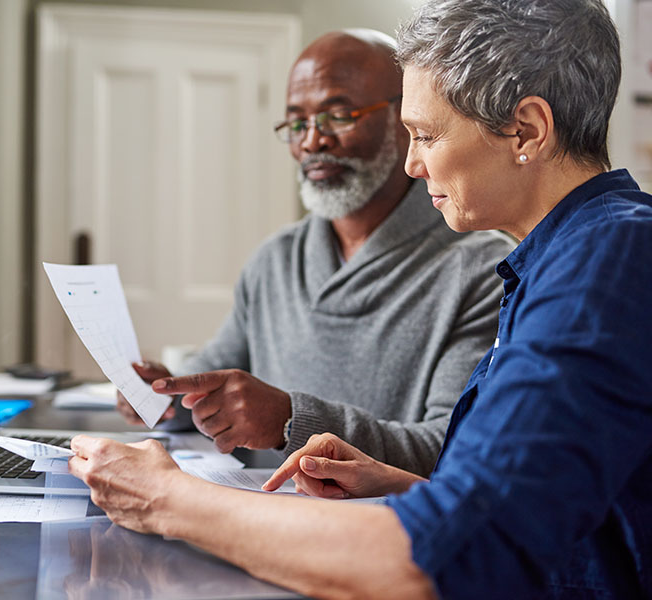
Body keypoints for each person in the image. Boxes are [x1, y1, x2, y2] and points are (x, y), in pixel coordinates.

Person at [69, 0, 652, 597]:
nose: (413, 163)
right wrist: (398, 485)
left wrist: (169, 498)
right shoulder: (560, 257)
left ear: (526, 130)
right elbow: (535, 511)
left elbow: (442, 559)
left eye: (426, 135)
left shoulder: (605, 260)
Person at [117, 29, 513, 476]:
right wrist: (165, 394)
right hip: (251, 515)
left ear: (406, 120)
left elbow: (451, 445)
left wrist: (291, 421)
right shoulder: (275, 260)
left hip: (373, 534)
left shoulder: (483, 270)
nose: (311, 142)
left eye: (338, 115)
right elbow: (214, 384)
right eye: (297, 123)